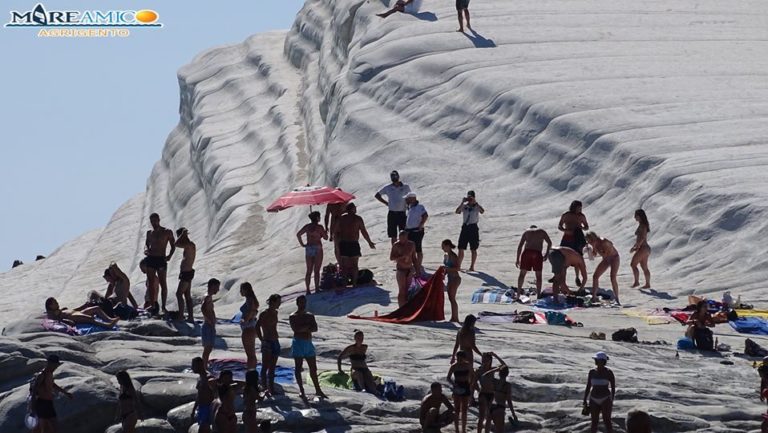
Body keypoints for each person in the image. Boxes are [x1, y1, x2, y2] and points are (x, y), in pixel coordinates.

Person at [289, 295, 327, 400]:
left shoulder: (310, 315)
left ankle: (318, 390)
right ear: (297, 303)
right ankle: (301, 390)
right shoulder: (293, 316)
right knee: (298, 367)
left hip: (308, 342)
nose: (302, 304)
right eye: (300, 302)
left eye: (304, 302)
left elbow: (315, 328)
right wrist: (307, 327)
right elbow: (296, 329)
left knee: (313, 368)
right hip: (298, 342)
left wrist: (304, 328)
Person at [334, 203, 376, 288]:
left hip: (344, 243)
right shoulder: (358, 219)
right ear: (353, 209)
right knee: (355, 265)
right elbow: (363, 231)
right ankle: (354, 283)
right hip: (353, 243)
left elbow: (336, 232)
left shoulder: (342, 219)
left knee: (345, 266)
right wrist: (369, 242)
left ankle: (345, 283)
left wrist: (337, 245)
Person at [30, 355, 72, 433]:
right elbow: (34, 392)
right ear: (49, 363)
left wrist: (66, 393)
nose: (56, 367)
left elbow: (52, 384)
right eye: (55, 365)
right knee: (41, 429)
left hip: (48, 404)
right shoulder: (41, 375)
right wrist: (32, 410)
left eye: (57, 365)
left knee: (53, 428)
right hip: (41, 404)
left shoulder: (50, 374)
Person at [144, 213, 176, 313]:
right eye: (152, 221)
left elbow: (173, 245)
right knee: (151, 283)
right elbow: (146, 244)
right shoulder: (149, 233)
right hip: (151, 258)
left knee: (163, 283)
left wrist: (170, 255)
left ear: (159, 219)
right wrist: (146, 250)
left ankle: (163, 306)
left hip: (161, 259)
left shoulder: (167, 232)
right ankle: (153, 305)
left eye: (155, 220)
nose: (153, 223)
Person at [337, 330, 379, 395]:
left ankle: (374, 390)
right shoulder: (351, 348)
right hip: (355, 369)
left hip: (365, 368)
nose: (360, 339)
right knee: (359, 373)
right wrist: (340, 369)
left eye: (362, 337)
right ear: (355, 338)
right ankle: (363, 388)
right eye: (358, 338)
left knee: (369, 375)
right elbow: (340, 357)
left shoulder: (364, 347)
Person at [375, 170, 412, 244]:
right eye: (392, 176)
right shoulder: (388, 187)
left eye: (395, 176)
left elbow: (409, 197)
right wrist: (386, 203)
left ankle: (404, 249)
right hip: (392, 213)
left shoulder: (405, 187)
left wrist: (409, 206)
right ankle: (395, 250)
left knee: (404, 233)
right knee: (393, 234)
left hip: (402, 213)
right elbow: (377, 195)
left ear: (398, 176)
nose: (394, 177)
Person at [584, 231, 621, 305]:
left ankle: (617, 298)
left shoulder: (603, 241)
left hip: (614, 258)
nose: (589, 243)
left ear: (593, 239)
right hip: (606, 259)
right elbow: (594, 256)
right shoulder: (594, 244)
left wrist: (595, 247)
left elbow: (606, 252)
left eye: (589, 241)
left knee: (613, 277)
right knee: (595, 276)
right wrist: (590, 251)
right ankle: (594, 297)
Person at [515, 226, 552, 298]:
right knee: (538, 276)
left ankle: (518, 294)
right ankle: (538, 295)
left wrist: (517, 259)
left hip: (527, 253)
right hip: (537, 253)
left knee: (522, 274)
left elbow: (520, 246)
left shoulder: (526, 231)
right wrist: (547, 254)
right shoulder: (542, 231)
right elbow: (549, 243)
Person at [583, 351, 616, 433]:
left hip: (605, 398)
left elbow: (613, 387)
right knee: (594, 422)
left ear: (603, 361)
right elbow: (588, 386)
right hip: (593, 398)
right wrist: (585, 399)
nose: (596, 362)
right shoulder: (592, 372)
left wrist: (612, 399)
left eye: (597, 360)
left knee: (607, 421)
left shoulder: (609, 372)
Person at [297, 211, 328, 294]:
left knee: (309, 270)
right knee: (316, 270)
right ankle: (317, 288)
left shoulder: (307, 227)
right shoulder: (319, 227)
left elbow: (298, 234)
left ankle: (307, 290)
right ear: (317, 218)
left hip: (309, 248)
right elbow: (326, 238)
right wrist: (324, 233)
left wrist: (302, 244)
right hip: (317, 247)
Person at [558, 201, 589, 285]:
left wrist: (582, 227)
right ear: (573, 207)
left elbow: (586, 227)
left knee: (578, 257)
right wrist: (565, 230)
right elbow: (560, 226)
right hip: (567, 237)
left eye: (580, 208)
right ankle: (558, 276)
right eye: (578, 208)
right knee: (562, 257)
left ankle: (577, 277)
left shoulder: (581, 216)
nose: (579, 209)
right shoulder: (566, 215)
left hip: (578, 237)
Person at [474, 352, 506, 433]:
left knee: (489, 416)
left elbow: (504, 366)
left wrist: (495, 355)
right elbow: (473, 383)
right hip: (483, 394)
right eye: (482, 358)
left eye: (485, 358)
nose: (483, 360)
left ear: (490, 360)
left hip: (492, 394)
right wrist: (472, 395)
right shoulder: (479, 370)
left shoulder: (492, 369)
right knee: (481, 416)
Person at [256, 294, 281, 395]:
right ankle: (264, 387)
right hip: (267, 341)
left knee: (273, 367)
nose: (279, 304)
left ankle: (271, 388)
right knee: (265, 365)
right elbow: (257, 326)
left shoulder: (275, 312)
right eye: (278, 302)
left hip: (275, 340)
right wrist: (262, 339)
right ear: (273, 302)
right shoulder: (264, 314)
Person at [482, 365, 518, 433]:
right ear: (507, 374)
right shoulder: (507, 385)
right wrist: (513, 414)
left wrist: (495, 369)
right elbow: (509, 401)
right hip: (500, 408)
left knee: (487, 430)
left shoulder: (495, 382)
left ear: (499, 373)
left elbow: (484, 376)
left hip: (491, 407)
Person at [455, 191, 484, 271]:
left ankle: (472, 266)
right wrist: (462, 203)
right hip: (465, 227)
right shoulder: (465, 206)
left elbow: (482, 211)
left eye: (471, 197)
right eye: (468, 197)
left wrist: (476, 203)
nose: (469, 199)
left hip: (473, 227)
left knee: (473, 248)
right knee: (461, 247)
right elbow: (457, 212)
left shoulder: (476, 206)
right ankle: (459, 266)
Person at [44, 297, 118, 328]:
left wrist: (83, 306)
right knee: (90, 319)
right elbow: (57, 321)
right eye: (55, 303)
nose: (57, 304)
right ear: (50, 306)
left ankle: (110, 319)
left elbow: (73, 309)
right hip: (73, 317)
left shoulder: (58, 310)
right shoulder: (52, 314)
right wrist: (68, 321)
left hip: (77, 312)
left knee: (97, 308)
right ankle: (108, 325)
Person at [173, 228, 196, 322]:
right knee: (187, 295)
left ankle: (181, 316)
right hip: (187, 272)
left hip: (186, 273)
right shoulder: (189, 245)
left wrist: (182, 235)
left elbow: (176, 244)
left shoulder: (189, 244)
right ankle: (190, 317)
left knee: (179, 294)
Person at [447, 351, 474, 433]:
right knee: (457, 409)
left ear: (464, 358)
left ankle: (463, 429)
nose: (459, 359)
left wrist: (471, 384)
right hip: (457, 385)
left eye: (460, 358)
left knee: (465, 409)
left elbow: (473, 375)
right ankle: (457, 429)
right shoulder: (454, 366)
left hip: (465, 385)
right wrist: (453, 384)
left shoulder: (468, 365)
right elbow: (448, 377)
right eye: (457, 358)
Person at [390, 230, 418, 307]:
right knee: (402, 289)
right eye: (400, 238)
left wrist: (417, 269)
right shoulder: (396, 245)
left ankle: (407, 306)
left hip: (409, 269)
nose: (402, 240)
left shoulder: (412, 244)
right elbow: (391, 258)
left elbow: (414, 258)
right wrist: (401, 257)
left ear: (406, 237)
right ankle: (401, 307)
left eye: (403, 238)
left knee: (409, 289)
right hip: (401, 270)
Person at [405, 192, 429, 275]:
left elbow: (425, 215)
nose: (406, 200)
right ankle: (413, 264)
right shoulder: (410, 207)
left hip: (417, 231)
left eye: (407, 198)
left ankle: (418, 264)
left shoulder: (420, 207)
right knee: (411, 248)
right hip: (410, 231)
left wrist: (421, 225)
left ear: (412, 198)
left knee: (418, 248)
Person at [190, 357, 215, 433]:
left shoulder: (209, 378)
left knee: (204, 429)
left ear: (200, 365)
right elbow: (199, 394)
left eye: (194, 365)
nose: (192, 368)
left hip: (208, 407)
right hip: (201, 407)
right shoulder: (200, 378)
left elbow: (215, 393)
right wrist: (194, 409)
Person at [239, 283, 260, 370]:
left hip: (248, 328)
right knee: (252, 354)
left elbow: (252, 311)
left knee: (250, 354)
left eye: (241, 290)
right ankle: (253, 371)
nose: (240, 292)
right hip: (252, 327)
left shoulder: (249, 299)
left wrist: (245, 320)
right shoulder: (253, 299)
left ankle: (251, 372)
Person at [630, 209, 651, 289]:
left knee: (633, 264)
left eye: (636, 215)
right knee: (644, 266)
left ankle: (636, 282)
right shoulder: (643, 225)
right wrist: (635, 246)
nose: (635, 217)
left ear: (640, 216)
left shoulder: (642, 225)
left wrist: (636, 246)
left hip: (643, 248)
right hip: (645, 248)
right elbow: (640, 238)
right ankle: (647, 284)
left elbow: (642, 238)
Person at [201, 278, 220, 366]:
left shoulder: (209, 296)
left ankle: (205, 364)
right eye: (217, 287)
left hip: (210, 325)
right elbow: (203, 308)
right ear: (212, 286)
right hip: (208, 325)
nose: (218, 289)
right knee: (207, 348)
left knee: (209, 348)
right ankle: (204, 365)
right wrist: (209, 320)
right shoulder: (207, 297)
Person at [442, 239, 461, 322]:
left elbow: (457, 268)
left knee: (452, 298)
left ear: (448, 246)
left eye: (443, 246)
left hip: (455, 278)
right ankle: (453, 317)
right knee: (450, 298)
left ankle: (455, 317)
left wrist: (447, 269)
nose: (442, 248)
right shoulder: (446, 255)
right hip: (450, 278)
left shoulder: (453, 256)